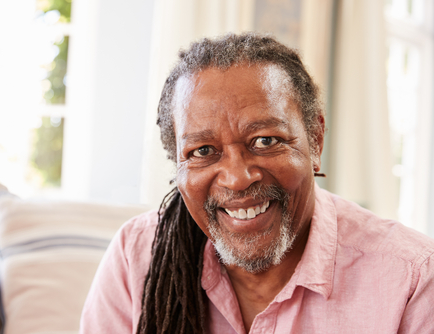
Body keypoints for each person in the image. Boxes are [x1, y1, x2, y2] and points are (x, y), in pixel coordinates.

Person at [79, 33, 434, 334]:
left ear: (315, 139)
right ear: (178, 165)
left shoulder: (412, 279)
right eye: (203, 150)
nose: (237, 178)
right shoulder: (137, 255)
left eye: (265, 140)